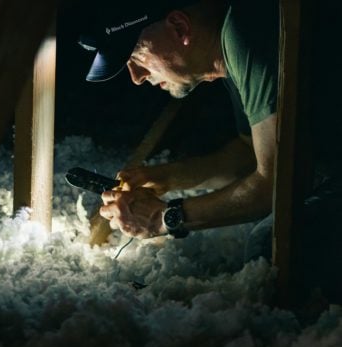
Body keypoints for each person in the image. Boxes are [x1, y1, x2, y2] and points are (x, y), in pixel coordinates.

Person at [78, 0, 279, 260]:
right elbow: (250, 154)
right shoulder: (228, 53)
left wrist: (162, 219)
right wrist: (169, 178)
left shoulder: (244, 33)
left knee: (267, 248)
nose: (137, 77)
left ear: (179, 28)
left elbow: (275, 183)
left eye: (136, 57)